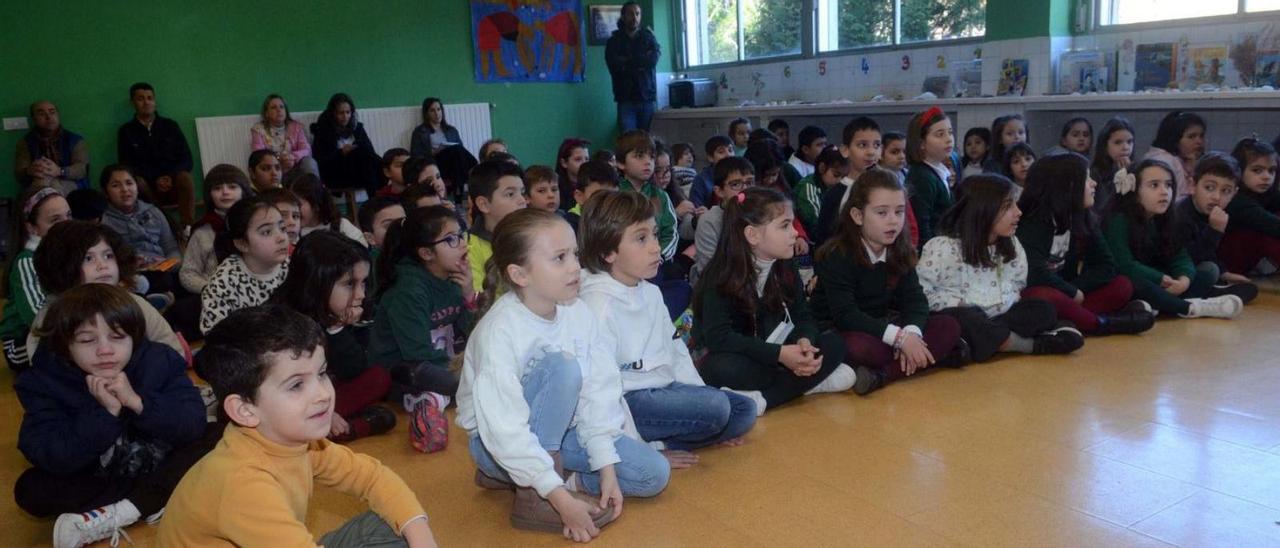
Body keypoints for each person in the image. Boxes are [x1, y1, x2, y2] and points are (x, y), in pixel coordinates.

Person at [456, 208, 668, 539]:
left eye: (574, 254)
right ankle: (533, 497)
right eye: (559, 258)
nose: (575, 267)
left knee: (651, 474)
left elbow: (598, 391)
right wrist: (560, 501)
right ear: (520, 274)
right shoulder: (500, 331)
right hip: (494, 441)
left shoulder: (577, 312)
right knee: (563, 367)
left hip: (561, 433)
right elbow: (504, 427)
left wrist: (606, 467)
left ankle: (522, 476)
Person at [159, 305, 436, 546]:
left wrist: (424, 540)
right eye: (296, 385)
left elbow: (373, 477)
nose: (324, 394)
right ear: (245, 410)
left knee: (399, 522)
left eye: (322, 373)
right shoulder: (242, 483)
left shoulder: (297, 442)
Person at [15, 284, 208, 548]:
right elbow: (48, 451)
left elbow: (192, 422)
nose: (105, 350)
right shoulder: (45, 379)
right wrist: (104, 414)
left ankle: (124, 511)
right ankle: (154, 497)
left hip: (159, 459)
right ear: (65, 344)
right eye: (87, 340)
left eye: (117, 337)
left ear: (135, 337)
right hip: (102, 475)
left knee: (219, 435)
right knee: (31, 489)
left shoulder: (159, 360)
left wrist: (138, 403)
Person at [579, 190, 756, 459]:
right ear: (607, 252)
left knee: (744, 410)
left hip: (663, 391)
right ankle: (650, 447)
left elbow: (677, 351)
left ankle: (673, 439)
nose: (655, 246)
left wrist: (698, 396)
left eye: (653, 234)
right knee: (717, 408)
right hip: (625, 403)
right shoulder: (597, 306)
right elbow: (601, 393)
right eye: (641, 238)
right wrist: (642, 449)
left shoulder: (649, 292)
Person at [693, 187, 856, 415]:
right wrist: (779, 355)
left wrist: (804, 342)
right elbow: (719, 338)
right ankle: (805, 384)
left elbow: (803, 314)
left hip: (777, 354)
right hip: (742, 357)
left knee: (835, 344)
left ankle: (766, 398)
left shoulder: (785, 266)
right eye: (784, 225)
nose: (795, 233)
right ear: (753, 235)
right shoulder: (720, 276)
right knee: (718, 368)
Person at [812, 169, 965, 394]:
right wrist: (899, 339)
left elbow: (915, 300)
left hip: (885, 325)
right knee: (855, 346)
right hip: (843, 327)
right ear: (857, 216)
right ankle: (932, 358)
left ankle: (882, 375)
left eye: (899, 211)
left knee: (949, 325)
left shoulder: (900, 250)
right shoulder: (836, 254)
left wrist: (912, 334)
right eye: (882, 213)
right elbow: (846, 315)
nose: (893, 221)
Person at [917, 174, 1085, 362]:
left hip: (1001, 316)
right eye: (1008, 206)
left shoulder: (1011, 244)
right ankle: (1031, 345)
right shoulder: (942, 247)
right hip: (964, 315)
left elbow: (1017, 284)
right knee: (962, 319)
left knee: (1043, 309)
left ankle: (983, 342)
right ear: (982, 210)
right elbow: (922, 295)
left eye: (1016, 204)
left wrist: (1003, 302)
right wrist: (958, 303)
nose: (1018, 212)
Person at [273, 231, 397, 444]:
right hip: (284, 398)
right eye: (350, 284)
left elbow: (354, 371)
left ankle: (323, 427)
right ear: (317, 281)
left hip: (320, 390)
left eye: (363, 283)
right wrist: (325, 410)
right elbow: (280, 388)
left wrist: (336, 327)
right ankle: (341, 428)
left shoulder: (335, 311)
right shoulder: (282, 321)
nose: (361, 294)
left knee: (378, 377)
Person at [368, 205, 474, 449]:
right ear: (426, 253)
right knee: (472, 384)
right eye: (451, 240)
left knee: (484, 373)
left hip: (439, 361)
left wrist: (468, 294)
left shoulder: (453, 277)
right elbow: (416, 353)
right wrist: (464, 375)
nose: (462, 245)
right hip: (405, 370)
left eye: (461, 235)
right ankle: (425, 401)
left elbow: (470, 334)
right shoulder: (409, 290)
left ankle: (433, 398)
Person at [1016, 153, 1157, 336]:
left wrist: (1077, 290)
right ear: (1065, 187)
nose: (1094, 184)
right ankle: (1103, 323)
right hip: (1040, 293)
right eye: (1087, 178)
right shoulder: (1031, 223)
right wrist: (1072, 292)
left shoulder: (1081, 217)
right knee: (1041, 297)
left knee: (1122, 285)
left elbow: (1106, 265)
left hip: (1069, 292)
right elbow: (1035, 273)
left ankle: (1069, 321)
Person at [1102, 159, 1242, 319]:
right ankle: (1191, 307)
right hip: (1133, 279)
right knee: (1131, 283)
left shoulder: (1166, 217)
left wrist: (1184, 279)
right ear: (1134, 190)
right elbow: (1124, 265)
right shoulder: (1118, 219)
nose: (1164, 192)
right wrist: (1160, 279)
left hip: (1159, 281)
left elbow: (1179, 255)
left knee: (1208, 270)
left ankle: (1158, 305)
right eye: (1154, 185)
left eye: (1168, 185)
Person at [30, 220, 186, 359]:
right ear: (63, 266)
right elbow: (43, 373)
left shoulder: (134, 303)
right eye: (88, 258)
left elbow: (173, 351)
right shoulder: (52, 316)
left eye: (108, 256)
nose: (102, 265)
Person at [1173, 152, 1258, 302]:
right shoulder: (1180, 214)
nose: (1217, 197)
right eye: (1209, 188)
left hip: (1188, 273)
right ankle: (1208, 294)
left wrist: (1225, 273)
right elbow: (1188, 259)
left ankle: (1213, 290)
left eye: (1226, 191)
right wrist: (1214, 231)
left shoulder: (1210, 213)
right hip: (1170, 273)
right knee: (1209, 270)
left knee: (1213, 269)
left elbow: (1209, 252)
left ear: (1234, 194)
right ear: (1192, 185)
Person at [1, 186, 70, 370]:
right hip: (22, 343)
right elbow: (36, 318)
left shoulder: (72, 253)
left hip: (63, 330)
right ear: (32, 228)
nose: (66, 224)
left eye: (68, 215)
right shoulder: (26, 261)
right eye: (55, 220)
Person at [199, 197, 291, 333]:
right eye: (267, 232)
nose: (282, 237)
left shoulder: (294, 266)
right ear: (242, 244)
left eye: (282, 228)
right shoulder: (224, 282)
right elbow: (215, 336)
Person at [116, 83, 196, 228]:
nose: (146, 102)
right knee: (136, 182)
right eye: (140, 98)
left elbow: (187, 159)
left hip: (173, 184)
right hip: (147, 189)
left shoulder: (170, 126)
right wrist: (155, 179)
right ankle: (165, 226)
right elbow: (126, 166)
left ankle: (188, 229)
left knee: (185, 177)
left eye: (150, 98)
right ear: (132, 102)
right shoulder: (126, 131)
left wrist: (170, 177)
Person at [1221, 138, 1280, 276]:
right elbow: (1274, 226)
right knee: (1265, 229)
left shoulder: (1263, 193)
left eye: (1271, 171)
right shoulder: (1235, 199)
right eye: (1257, 170)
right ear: (1238, 171)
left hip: (1243, 261)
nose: (1266, 177)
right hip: (1225, 264)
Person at [467, 160, 528, 294]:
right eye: (510, 194)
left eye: (522, 192)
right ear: (484, 204)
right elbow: (479, 298)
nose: (522, 201)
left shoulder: (534, 235)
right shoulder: (468, 246)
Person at [605, 1, 661, 132]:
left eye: (637, 14)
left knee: (647, 142)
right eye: (630, 14)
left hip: (646, 97)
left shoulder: (649, 38)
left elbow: (652, 61)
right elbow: (615, 67)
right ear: (623, 16)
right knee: (628, 142)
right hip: (625, 98)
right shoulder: (614, 41)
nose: (635, 17)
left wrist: (627, 61)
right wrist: (641, 62)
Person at [311, 93, 381, 195]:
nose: (345, 117)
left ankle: (376, 198)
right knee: (364, 157)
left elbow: (370, 151)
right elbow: (321, 160)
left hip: (360, 171)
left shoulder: (357, 128)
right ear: (333, 113)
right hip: (337, 174)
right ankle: (375, 200)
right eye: (341, 113)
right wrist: (341, 153)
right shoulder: (323, 131)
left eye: (348, 112)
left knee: (364, 152)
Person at [904, 108, 954, 246]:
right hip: (932, 253)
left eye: (950, 132)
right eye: (940, 134)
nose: (949, 139)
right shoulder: (921, 176)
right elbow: (921, 224)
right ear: (921, 143)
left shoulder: (937, 171)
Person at [15, 100, 89, 193]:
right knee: (41, 183)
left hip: (71, 183)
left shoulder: (75, 140)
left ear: (58, 115)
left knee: (52, 186)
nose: (48, 117)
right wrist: (29, 171)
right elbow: (19, 174)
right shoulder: (26, 142)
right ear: (34, 119)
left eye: (52, 112)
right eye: (41, 114)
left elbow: (82, 170)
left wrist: (59, 171)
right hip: (38, 181)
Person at [287, 173, 369, 246]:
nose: (295, 210)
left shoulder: (341, 225)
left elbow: (363, 247)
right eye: (292, 204)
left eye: (299, 204)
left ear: (316, 205)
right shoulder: (293, 233)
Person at [249, 94, 318, 178]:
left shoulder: (296, 127)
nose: (279, 110)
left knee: (309, 162)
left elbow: (306, 149)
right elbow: (258, 154)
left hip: (294, 164)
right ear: (266, 113)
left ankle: (315, 189)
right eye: (274, 107)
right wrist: (278, 159)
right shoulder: (258, 129)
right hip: (273, 167)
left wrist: (292, 157)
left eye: (282, 107)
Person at [1142, 111, 1206, 197]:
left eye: (1201, 136)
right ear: (1174, 139)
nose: (1199, 142)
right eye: (1191, 137)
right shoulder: (1164, 161)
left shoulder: (1185, 160)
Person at [1090, 117, 1136, 215]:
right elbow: (1103, 208)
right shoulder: (1095, 173)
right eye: (1118, 142)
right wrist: (1120, 179)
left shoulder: (1138, 170)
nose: (1126, 147)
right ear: (1105, 146)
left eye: (1129, 142)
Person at [689, 135, 734, 208]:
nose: (728, 155)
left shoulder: (740, 174)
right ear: (710, 157)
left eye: (730, 150)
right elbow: (697, 208)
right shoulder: (701, 179)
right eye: (721, 152)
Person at [555, 138, 591, 209]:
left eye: (587, 159)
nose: (584, 163)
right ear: (564, 163)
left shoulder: (592, 185)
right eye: (578, 159)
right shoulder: (556, 189)